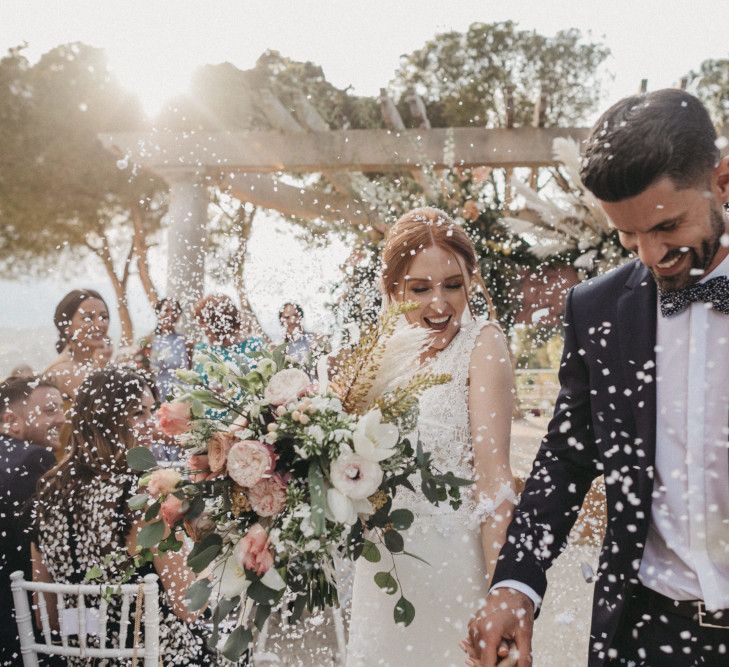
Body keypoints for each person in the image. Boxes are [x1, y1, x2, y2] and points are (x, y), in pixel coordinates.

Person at [466, 89, 729, 667]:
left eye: (668, 225)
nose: (652, 254)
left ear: (723, 182)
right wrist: (517, 582)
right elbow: (566, 456)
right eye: (629, 237)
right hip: (647, 630)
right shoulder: (600, 308)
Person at [346, 207, 517, 666]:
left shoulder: (482, 345)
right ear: (393, 289)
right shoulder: (378, 354)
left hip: (453, 568)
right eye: (419, 289)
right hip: (382, 569)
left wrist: (502, 596)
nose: (439, 304)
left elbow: (494, 476)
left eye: (453, 285)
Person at [31, 367, 214, 665]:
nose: (150, 424)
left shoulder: (49, 493)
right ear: (107, 420)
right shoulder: (142, 498)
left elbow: (47, 619)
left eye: (150, 412)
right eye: (137, 414)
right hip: (157, 658)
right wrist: (211, 563)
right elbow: (191, 607)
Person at [0, 377, 65, 666]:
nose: (62, 419)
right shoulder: (33, 458)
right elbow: (48, 546)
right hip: (19, 615)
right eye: (50, 410)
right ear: (11, 420)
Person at [44, 289, 111, 401]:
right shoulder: (64, 370)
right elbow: (103, 409)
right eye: (88, 318)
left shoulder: (91, 364)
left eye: (103, 317)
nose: (99, 324)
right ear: (67, 327)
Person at [193, 294, 264, 371]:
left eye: (204, 323)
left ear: (219, 324)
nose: (202, 328)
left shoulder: (256, 346)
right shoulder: (203, 350)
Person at [149, 298, 190, 400]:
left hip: (182, 393)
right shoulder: (149, 341)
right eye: (167, 310)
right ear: (158, 313)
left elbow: (190, 370)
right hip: (159, 393)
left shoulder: (186, 341)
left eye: (174, 310)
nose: (171, 314)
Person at [279, 302, 329, 374]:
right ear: (281, 320)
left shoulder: (316, 339)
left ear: (300, 317)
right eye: (287, 317)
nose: (292, 321)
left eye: (295, 315)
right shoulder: (280, 349)